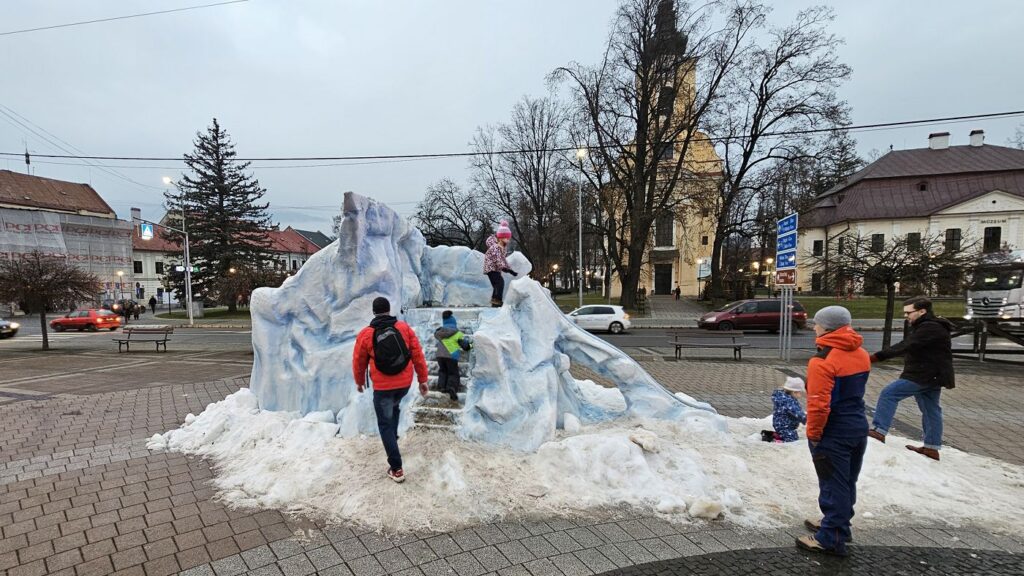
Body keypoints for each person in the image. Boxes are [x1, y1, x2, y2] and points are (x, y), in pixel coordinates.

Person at [796, 305, 870, 557]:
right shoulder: (861, 353)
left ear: (827, 327)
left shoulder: (822, 360)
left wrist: (814, 433)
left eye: (816, 323)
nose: (813, 327)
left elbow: (818, 404)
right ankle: (840, 525)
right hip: (857, 426)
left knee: (832, 483)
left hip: (833, 431)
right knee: (847, 480)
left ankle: (830, 537)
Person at [867, 297, 954, 461]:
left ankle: (878, 431)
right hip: (933, 375)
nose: (906, 316)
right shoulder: (927, 326)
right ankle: (931, 448)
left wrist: (876, 357)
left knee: (889, 394)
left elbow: (906, 345)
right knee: (930, 409)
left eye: (909, 313)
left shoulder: (930, 327)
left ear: (922, 311)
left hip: (923, 374)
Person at [352, 297, 429, 483]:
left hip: (383, 387)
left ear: (374, 311)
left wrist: (359, 381)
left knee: (385, 423)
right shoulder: (403, 328)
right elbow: (417, 353)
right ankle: (392, 438)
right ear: (389, 309)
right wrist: (423, 379)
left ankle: (396, 468)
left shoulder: (366, 334)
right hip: (403, 385)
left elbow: (358, 361)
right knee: (393, 408)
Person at [433, 310, 472, 401]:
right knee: (453, 373)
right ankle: (451, 388)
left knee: (443, 371)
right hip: (451, 355)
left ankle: (441, 387)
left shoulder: (440, 332)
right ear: (454, 323)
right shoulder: (457, 333)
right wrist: (471, 345)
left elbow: (437, 335)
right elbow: (465, 345)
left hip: (440, 355)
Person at [483, 220, 517, 307]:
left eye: (508, 238)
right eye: (506, 238)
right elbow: (497, 260)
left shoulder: (502, 248)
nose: (508, 240)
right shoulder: (496, 247)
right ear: (501, 237)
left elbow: (503, 260)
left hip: (495, 269)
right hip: (491, 268)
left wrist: (510, 269)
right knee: (499, 282)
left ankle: (495, 301)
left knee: (497, 284)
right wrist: (505, 268)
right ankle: (497, 301)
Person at [765, 377, 806, 443]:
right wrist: (806, 418)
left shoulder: (785, 397)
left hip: (782, 424)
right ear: (794, 392)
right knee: (792, 439)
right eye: (800, 393)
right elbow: (797, 413)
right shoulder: (788, 401)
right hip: (785, 426)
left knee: (790, 435)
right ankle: (774, 440)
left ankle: (776, 435)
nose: (801, 395)